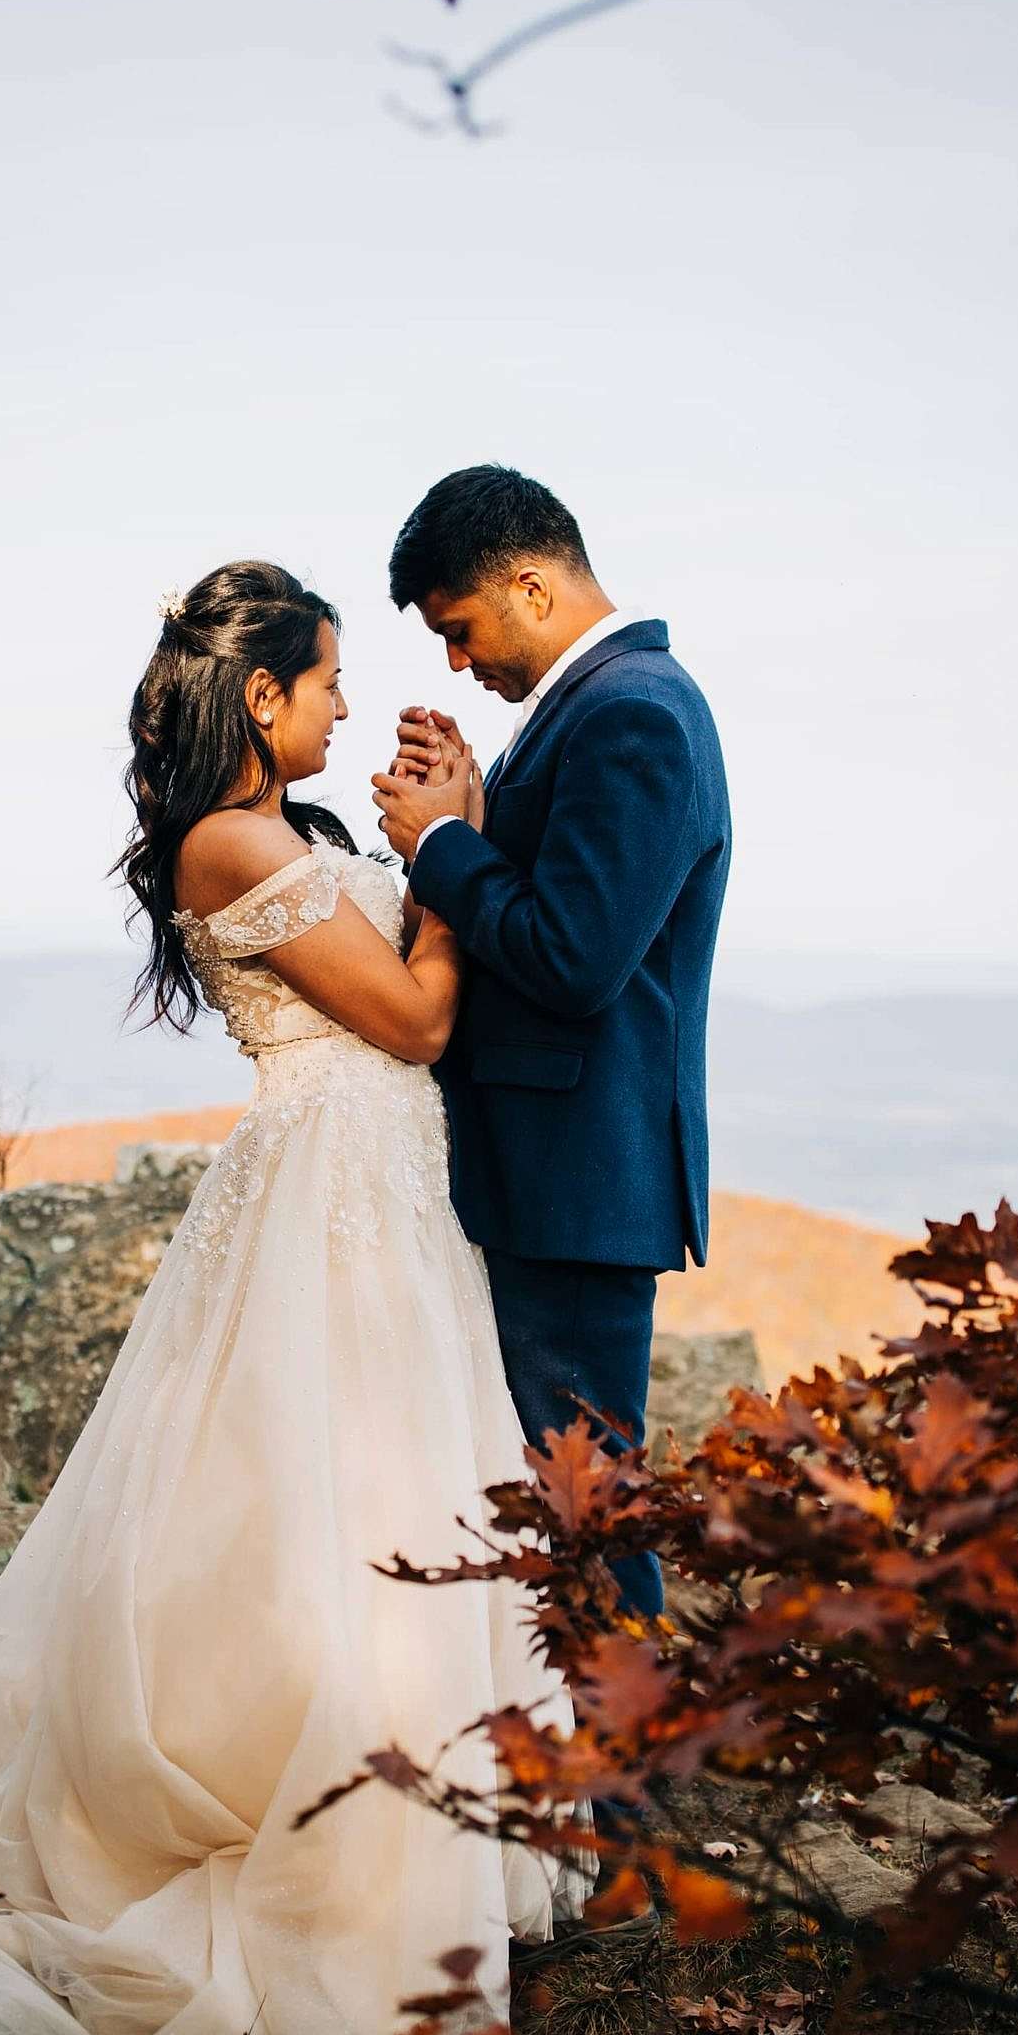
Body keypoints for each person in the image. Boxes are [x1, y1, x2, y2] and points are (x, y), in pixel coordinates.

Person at [0, 558, 589, 2035]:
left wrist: (423, 838)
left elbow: (407, 1011)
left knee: (403, 1495)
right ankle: (308, 1834)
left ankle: (424, 1816)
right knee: (315, 1503)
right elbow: (420, 1020)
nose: (349, 704)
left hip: (390, 1192)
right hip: (324, 1195)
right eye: (328, 681)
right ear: (259, 692)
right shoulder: (226, 844)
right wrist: (450, 850)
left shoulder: (304, 836)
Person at [372, 464, 732, 1622]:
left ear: (529, 584)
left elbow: (575, 957)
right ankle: (573, 1774)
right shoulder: (594, 708)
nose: (455, 661)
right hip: (550, 1172)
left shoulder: (632, 712)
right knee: (552, 1492)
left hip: (577, 1179)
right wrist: (473, 811)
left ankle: (613, 1793)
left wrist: (438, 847)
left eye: (458, 628)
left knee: (583, 1503)